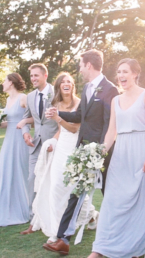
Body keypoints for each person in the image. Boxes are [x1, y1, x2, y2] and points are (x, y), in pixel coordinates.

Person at [42, 49, 119, 255]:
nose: (79, 69)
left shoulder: (110, 90)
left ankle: (120, 232)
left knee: (109, 194)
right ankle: (63, 239)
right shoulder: (86, 88)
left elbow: (109, 124)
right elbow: (79, 115)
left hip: (101, 154)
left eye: (81, 65)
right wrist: (58, 113)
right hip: (83, 152)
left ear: (89, 65)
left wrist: (101, 151)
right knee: (75, 194)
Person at [89, 59, 145, 258]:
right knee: (112, 199)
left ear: (135, 74)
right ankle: (100, 249)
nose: (121, 76)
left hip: (141, 149)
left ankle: (141, 249)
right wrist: (98, 153)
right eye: (119, 72)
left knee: (140, 202)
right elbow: (112, 132)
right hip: (121, 153)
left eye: (125, 71)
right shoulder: (115, 100)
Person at [27, 72, 97, 241]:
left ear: (73, 86)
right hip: (61, 149)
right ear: (59, 86)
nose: (66, 84)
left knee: (72, 189)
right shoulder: (56, 103)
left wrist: (58, 117)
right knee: (56, 188)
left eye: (69, 82)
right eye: (63, 82)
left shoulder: (80, 103)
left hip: (75, 149)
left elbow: (74, 129)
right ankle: (57, 230)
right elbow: (61, 131)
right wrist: (51, 142)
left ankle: (92, 214)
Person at [18, 63, 59, 230]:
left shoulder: (56, 93)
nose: (33, 79)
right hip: (35, 144)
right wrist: (25, 132)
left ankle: (55, 215)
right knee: (32, 179)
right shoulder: (29, 96)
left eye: (36, 75)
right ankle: (33, 217)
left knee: (54, 181)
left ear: (45, 76)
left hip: (54, 144)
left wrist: (55, 141)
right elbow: (27, 118)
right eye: (31, 76)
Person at [0, 73, 31, 227]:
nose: (2, 83)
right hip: (9, 138)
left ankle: (25, 209)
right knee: (7, 171)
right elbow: (11, 121)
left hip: (21, 137)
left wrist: (24, 125)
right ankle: (8, 209)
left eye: (4, 81)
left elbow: (33, 118)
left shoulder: (23, 98)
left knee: (20, 171)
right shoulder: (8, 100)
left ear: (11, 82)